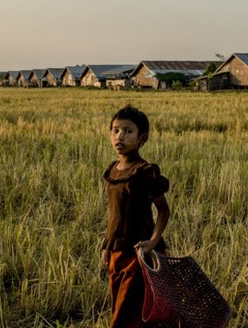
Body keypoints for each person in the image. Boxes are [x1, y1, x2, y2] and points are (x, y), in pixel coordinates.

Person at [102, 105, 171, 328]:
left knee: (127, 314)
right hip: (116, 251)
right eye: (115, 130)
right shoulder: (113, 170)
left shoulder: (144, 172)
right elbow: (115, 216)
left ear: (142, 138)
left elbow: (163, 210)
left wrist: (152, 242)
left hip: (138, 252)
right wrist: (107, 246)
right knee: (119, 305)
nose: (119, 136)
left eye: (127, 131)